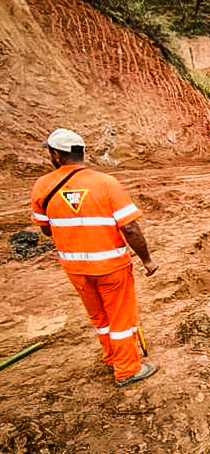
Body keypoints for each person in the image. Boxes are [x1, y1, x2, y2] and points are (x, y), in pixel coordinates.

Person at [30, 129, 159, 387]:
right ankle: (126, 370)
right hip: (111, 267)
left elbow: (45, 228)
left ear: (56, 155)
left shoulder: (42, 186)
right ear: (82, 153)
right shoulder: (106, 183)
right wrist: (146, 260)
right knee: (121, 318)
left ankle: (111, 356)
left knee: (99, 317)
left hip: (75, 268)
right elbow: (131, 228)